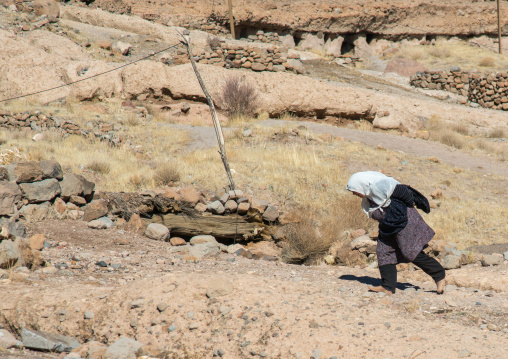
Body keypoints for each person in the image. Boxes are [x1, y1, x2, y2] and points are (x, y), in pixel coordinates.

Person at [346, 171, 446, 295]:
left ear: (361, 185)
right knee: (384, 252)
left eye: (354, 190)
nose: (354, 193)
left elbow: (406, 196)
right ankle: (388, 286)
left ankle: (439, 275)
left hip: (405, 222)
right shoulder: (370, 195)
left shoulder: (382, 187)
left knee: (411, 252)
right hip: (388, 226)